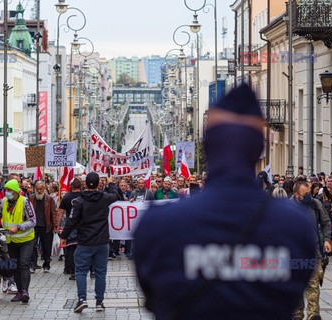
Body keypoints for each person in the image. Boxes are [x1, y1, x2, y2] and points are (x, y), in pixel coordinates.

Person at [134, 84, 317, 320]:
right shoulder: (296, 225)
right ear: (258, 147)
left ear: (209, 144)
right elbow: (295, 290)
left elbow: (153, 297)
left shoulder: (157, 224)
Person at [60, 172, 121, 313]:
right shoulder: (105, 198)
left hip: (85, 241)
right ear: (99, 183)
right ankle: (99, 302)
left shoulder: (79, 201)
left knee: (80, 271)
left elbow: (72, 220)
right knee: (100, 272)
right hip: (102, 241)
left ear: (85, 184)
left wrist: (64, 235)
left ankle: (82, 299)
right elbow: (116, 195)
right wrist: (111, 183)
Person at [291, 180, 332, 320]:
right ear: (296, 195)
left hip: (312, 252)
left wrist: (326, 239)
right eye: (306, 194)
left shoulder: (315, 205)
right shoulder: (287, 207)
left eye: (310, 193)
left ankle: (312, 316)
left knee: (313, 288)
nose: (309, 196)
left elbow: (326, 222)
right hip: (294, 254)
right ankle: (297, 316)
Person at [29, 181, 57, 273]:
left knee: (46, 246)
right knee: (32, 246)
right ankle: (33, 265)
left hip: (46, 225)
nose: (39, 191)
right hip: (34, 226)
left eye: (41, 189)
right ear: (35, 189)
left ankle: (46, 264)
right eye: (37, 189)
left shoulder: (49, 199)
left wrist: (55, 225)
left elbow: (53, 213)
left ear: (44, 189)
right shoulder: (31, 198)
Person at [58, 178, 83, 279]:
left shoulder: (66, 197)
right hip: (83, 226)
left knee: (71, 249)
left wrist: (58, 225)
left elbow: (60, 213)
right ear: (80, 186)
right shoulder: (83, 196)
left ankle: (73, 272)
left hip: (70, 226)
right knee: (84, 249)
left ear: (71, 186)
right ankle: (89, 270)